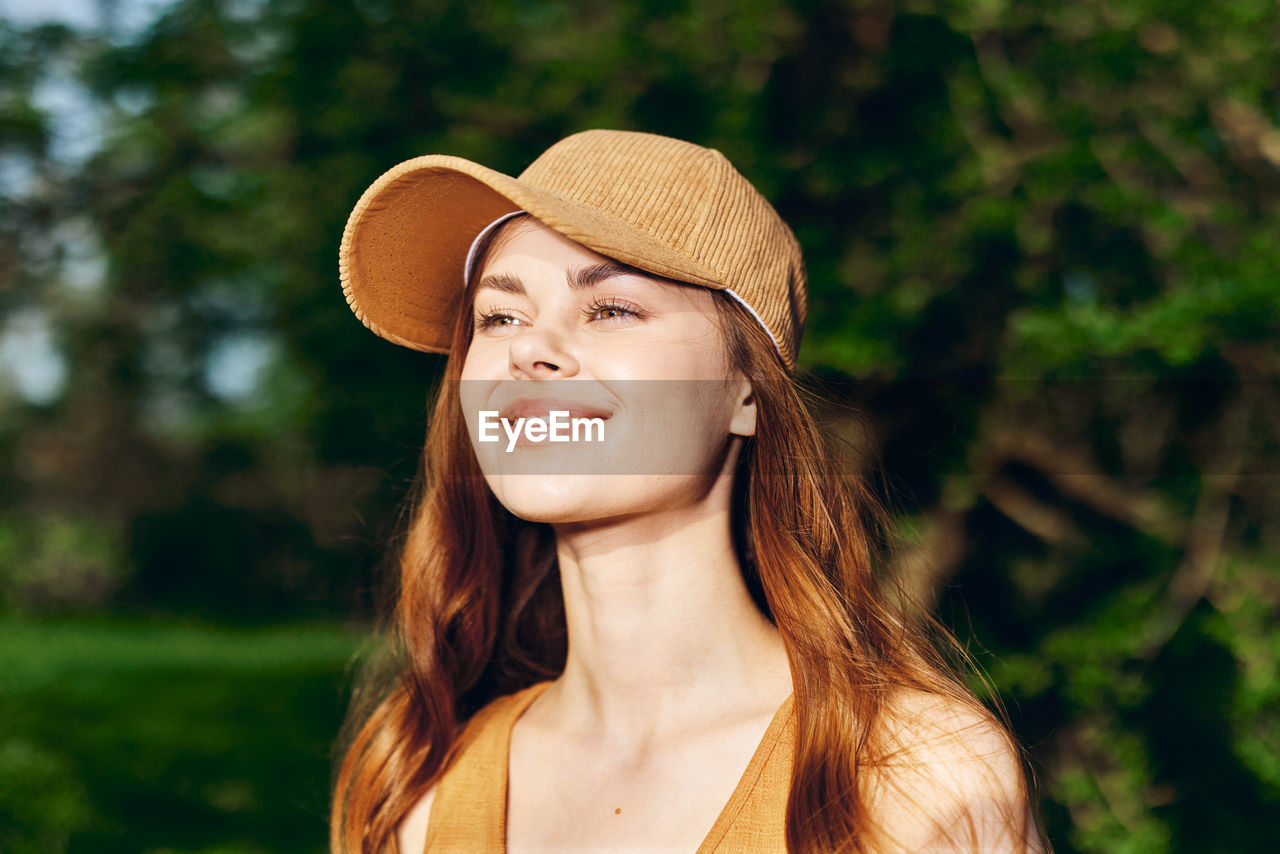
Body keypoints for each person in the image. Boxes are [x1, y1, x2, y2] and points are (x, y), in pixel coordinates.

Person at [329, 129, 1050, 853]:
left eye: (610, 309)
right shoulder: (420, 790)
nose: (526, 347)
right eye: (499, 316)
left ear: (746, 391)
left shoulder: (911, 778)